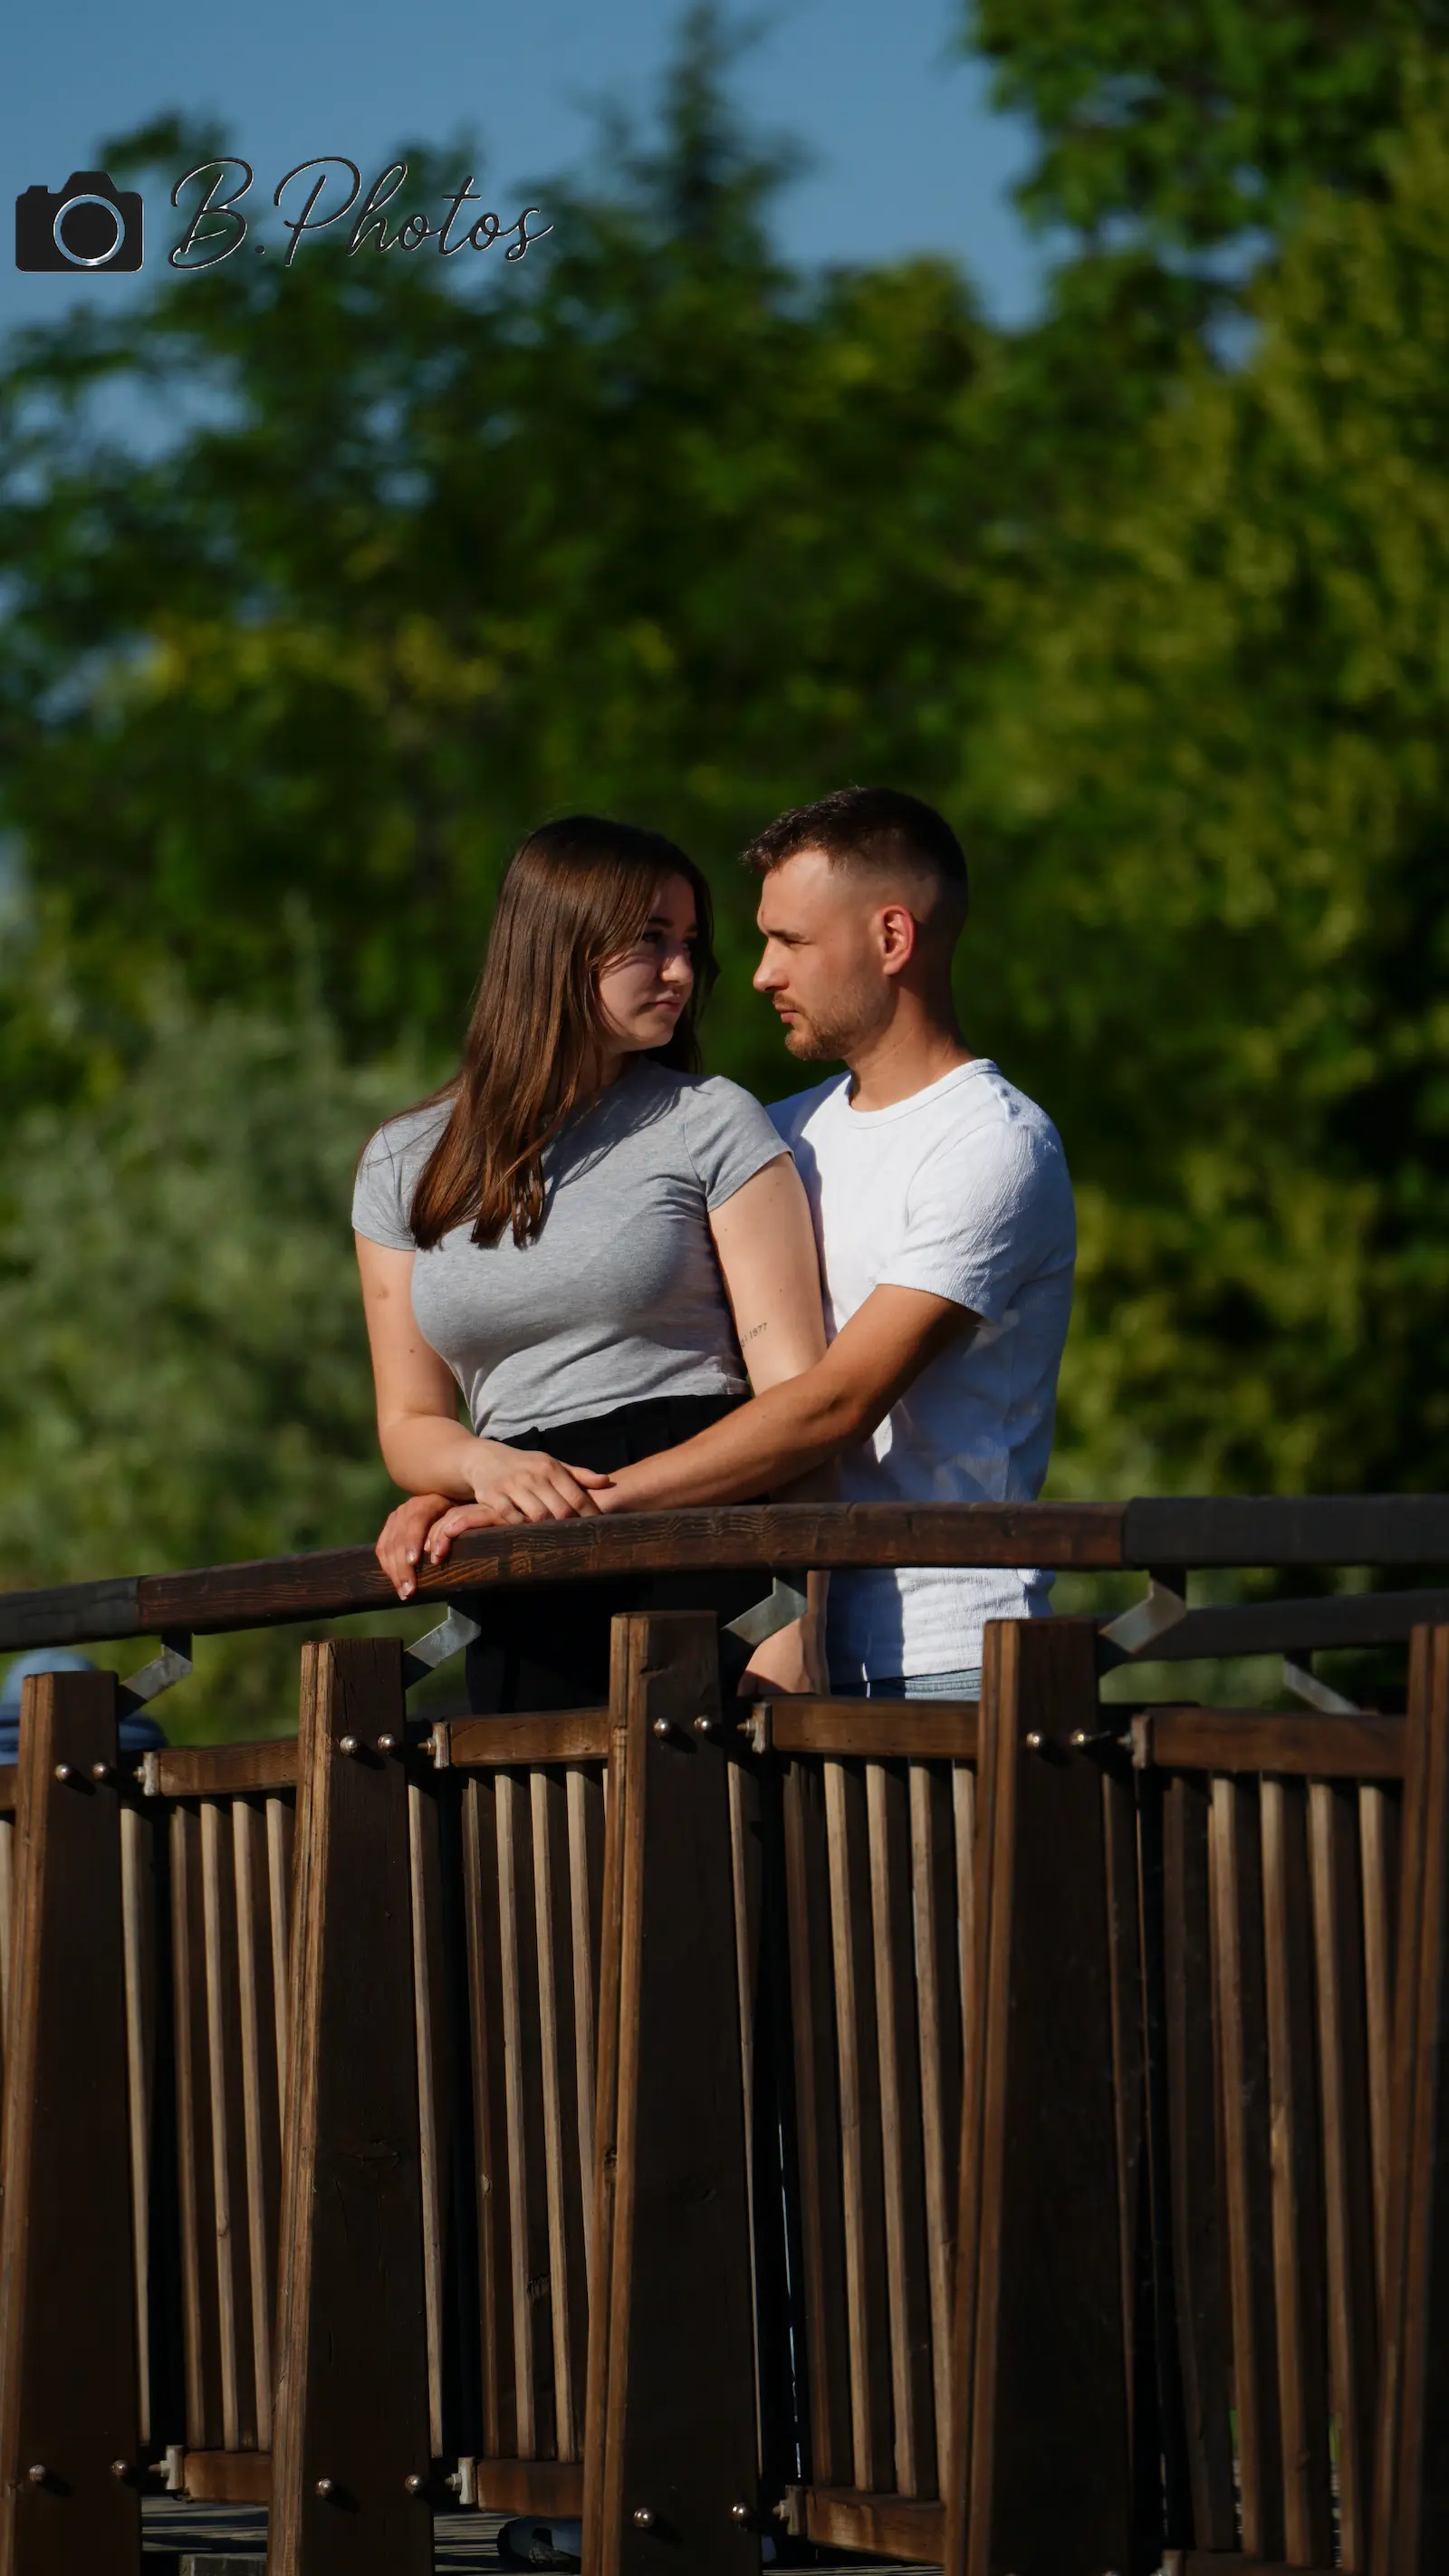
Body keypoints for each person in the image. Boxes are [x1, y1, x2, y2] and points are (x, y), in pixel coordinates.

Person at [397, 787, 1075, 1704]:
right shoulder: (784, 1133)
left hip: (946, 1654)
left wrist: (567, 1510)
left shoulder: (991, 1144)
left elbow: (828, 1404)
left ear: (890, 939)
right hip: (792, 1658)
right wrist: (466, 1486)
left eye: (789, 941)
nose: (755, 974)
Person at [353, 813, 828, 1712]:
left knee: (704, 1844)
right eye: (651, 941)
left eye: (689, 944)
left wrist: (804, 1618)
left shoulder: (711, 1119)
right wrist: (480, 1469)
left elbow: (798, 1406)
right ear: (558, 943)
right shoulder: (401, 1162)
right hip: (517, 1547)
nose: (683, 971)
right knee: (536, 1848)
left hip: (702, 1538)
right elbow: (410, 1421)